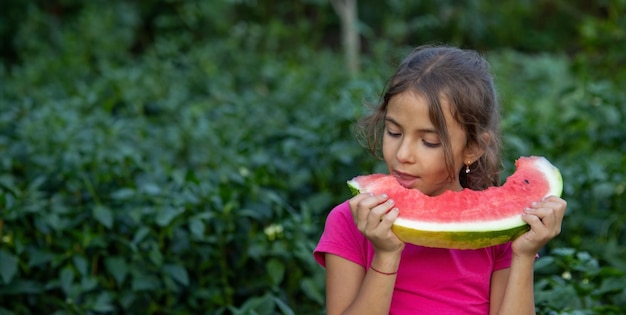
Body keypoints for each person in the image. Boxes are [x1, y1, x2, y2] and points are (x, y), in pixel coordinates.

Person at [313, 45, 567, 315]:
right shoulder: (349, 221)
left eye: (429, 141)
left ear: (472, 149)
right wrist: (385, 256)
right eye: (394, 132)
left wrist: (524, 255)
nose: (403, 154)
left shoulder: (501, 235)